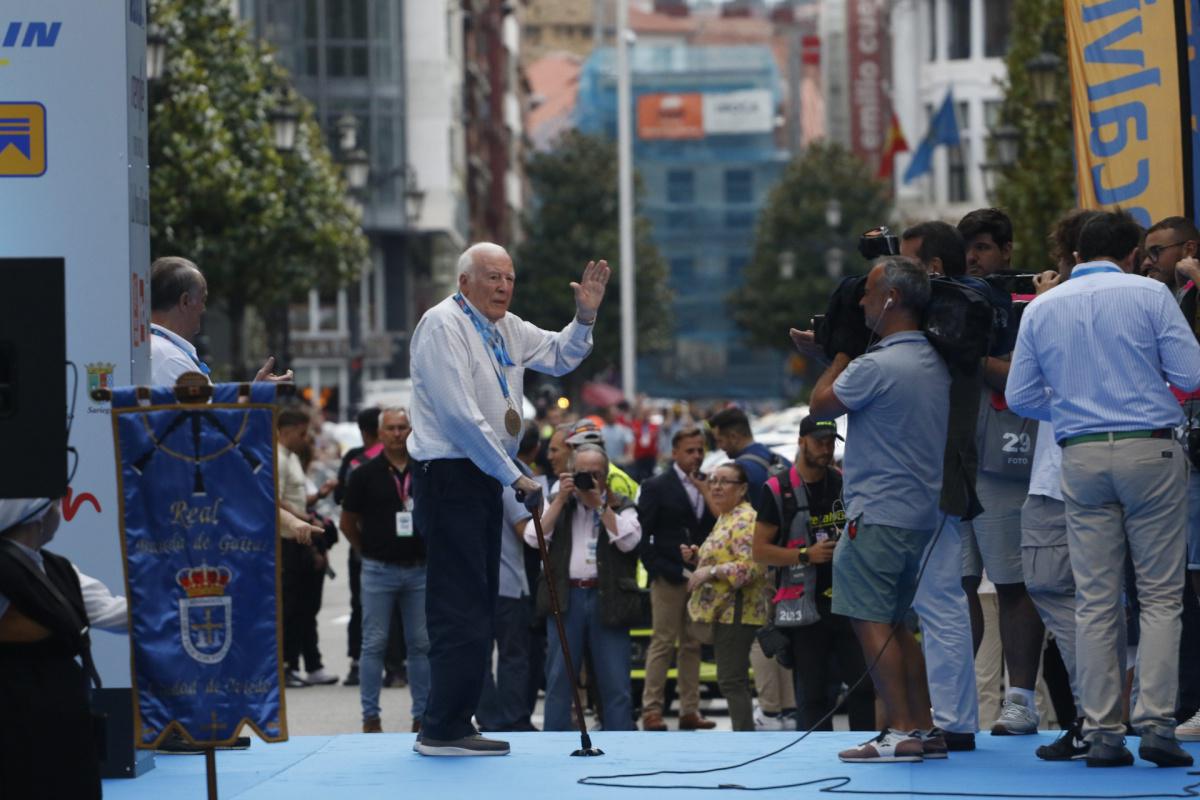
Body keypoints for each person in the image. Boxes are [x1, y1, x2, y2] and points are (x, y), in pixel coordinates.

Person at [1006, 209, 1200, 768]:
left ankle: (1103, 731)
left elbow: (1021, 397)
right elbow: (1189, 377)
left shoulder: (1043, 305)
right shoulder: (1148, 294)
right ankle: (1157, 724)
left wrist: (1072, 409)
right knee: (1161, 596)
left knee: (1094, 599)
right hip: (1150, 447)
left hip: (1080, 453)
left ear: (1078, 252)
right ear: (1134, 253)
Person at [408, 242, 608, 756]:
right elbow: (458, 415)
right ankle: (442, 726)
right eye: (492, 277)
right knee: (458, 605)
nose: (502, 287)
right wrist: (512, 474)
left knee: (481, 604)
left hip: (483, 476)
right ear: (464, 282)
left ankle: (456, 718)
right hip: (451, 473)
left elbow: (562, 355)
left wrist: (584, 317)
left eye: (509, 278)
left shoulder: (508, 328)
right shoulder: (442, 325)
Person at [809, 255, 950, 763]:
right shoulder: (932, 359)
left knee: (870, 621)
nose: (863, 302)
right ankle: (925, 727)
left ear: (890, 298)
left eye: (868, 292)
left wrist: (839, 350)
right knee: (897, 624)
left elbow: (820, 404)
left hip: (876, 514)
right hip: (918, 514)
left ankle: (902, 729)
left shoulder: (875, 365)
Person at [956, 208, 1047, 736]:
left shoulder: (1025, 302)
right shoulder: (942, 302)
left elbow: (1020, 377)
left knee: (1013, 582)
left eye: (984, 247)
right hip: (952, 456)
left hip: (1003, 453)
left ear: (1007, 251)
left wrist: (968, 354)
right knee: (957, 584)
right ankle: (956, 697)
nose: (973, 258)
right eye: (966, 249)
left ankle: (1020, 700)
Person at [899, 221, 988, 751]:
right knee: (940, 602)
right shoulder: (951, 319)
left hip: (930, 478)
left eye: (906, 265)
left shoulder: (949, 323)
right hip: (930, 476)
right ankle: (954, 720)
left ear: (932, 269)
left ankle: (954, 722)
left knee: (939, 603)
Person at [753, 416, 874, 732]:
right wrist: (804, 555)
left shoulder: (844, 483)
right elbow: (760, 551)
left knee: (863, 687)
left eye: (831, 442)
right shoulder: (777, 489)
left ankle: (867, 750)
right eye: (819, 441)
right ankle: (815, 762)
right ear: (801, 440)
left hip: (849, 602)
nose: (826, 448)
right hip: (803, 609)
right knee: (814, 694)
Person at [531, 444, 641, 732]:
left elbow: (630, 541)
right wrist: (559, 501)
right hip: (567, 599)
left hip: (609, 600)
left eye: (595, 474)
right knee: (559, 678)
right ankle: (554, 743)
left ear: (605, 476)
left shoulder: (621, 504)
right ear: (570, 473)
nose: (589, 480)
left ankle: (621, 743)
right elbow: (533, 537)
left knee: (615, 680)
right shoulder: (558, 500)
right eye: (582, 474)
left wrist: (600, 505)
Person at [0, 499, 103, 799]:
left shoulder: (58, 568)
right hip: (14, 721)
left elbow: (116, 612)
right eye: (56, 506)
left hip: (63, 722)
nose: (60, 513)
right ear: (38, 515)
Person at [340, 407, 430, 734]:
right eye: (390, 428)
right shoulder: (364, 474)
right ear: (379, 434)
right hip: (379, 569)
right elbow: (347, 523)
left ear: (412, 431)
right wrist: (366, 550)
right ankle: (370, 717)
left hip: (420, 569)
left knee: (420, 643)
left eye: (403, 427)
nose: (397, 434)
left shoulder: (425, 471)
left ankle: (422, 714)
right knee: (373, 643)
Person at [636, 426, 717, 731]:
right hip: (668, 576)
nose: (696, 456)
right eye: (690, 450)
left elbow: (713, 525)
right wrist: (656, 567)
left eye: (700, 450)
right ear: (675, 453)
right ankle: (652, 710)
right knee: (662, 642)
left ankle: (689, 709)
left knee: (693, 643)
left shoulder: (707, 483)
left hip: (698, 576)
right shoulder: (657, 486)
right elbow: (644, 533)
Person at [682, 461, 766, 732]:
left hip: (737, 610)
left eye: (724, 481)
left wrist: (711, 570)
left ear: (741, 489)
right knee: (731, 679)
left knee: (731, 679)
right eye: (713, 480)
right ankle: (743, 735)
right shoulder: (725, 516)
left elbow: (752, 567)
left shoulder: (745, 519)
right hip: (724, 610)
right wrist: (698, 557)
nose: (716, 486)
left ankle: (744, 739)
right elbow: (725, 555)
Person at [149, 256, 290, 386]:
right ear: (185, 301)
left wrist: (255, 393)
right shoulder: (171, 359)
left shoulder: (159, 351)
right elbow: (207, 413)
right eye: (202, 300)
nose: (203, 309)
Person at [277, 405, 338, 688]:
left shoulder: (290, 458)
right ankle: (287, 665)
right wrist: (303, 518)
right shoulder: (276, 458)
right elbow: (274, 501)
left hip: (299, 537)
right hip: (287, 540)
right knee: (289, 607)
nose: (305, 439)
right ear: (287, 431)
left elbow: (295, 499)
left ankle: (307, 664)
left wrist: (315, 501)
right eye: (302, 433)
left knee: (304, 606)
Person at [477, 461, 538, 733]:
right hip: (508, 583)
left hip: (477, 582)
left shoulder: (474, 474)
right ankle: (513, 718)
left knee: (480, 655)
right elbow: (526, 532)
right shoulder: (508, 477)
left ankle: (489, 719)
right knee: (513, 654)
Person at [334, 407, 383, 688]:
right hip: (367, 545)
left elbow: (341, 495)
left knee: (360, 604)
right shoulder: (359, 461)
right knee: (364, 604)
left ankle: (360, 662)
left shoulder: (352, 460)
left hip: (366, 546)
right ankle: (387, 664)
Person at [708, 406, 791, 506]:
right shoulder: (780, 460)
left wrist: (704, 489)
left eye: (719, 441)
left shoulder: (738, 471)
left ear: (734, 437)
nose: (719, 447)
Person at [959, 207, 1014, 278]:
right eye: (964, 249)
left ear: (1006, 251)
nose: (970, 257)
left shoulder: (1030, 288)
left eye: (981, 248)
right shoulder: (950, 287)